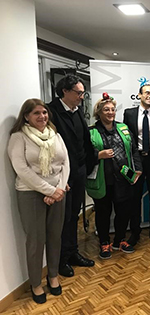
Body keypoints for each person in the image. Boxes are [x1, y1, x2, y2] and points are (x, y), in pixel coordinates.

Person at [8, 99, 70, 304]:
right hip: (30, 195)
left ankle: (53, 276)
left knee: (55, 237)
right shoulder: (18, 138)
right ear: (26, 116)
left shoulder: (56, 136)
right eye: (36, 113)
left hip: (58, 193)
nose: (42, 116)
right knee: (35, 241)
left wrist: (59, 189)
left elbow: (65, 162)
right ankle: (35, 283)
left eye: (44, 112)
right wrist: (50, 190)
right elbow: (22, 170)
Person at [48, 74, 95, 277]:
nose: (81, 97)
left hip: (79, 172)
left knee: (73, 215)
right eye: (78, 93)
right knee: (62, 219)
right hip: (61, 178)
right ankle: (60, 260)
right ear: (65, 92)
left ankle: (72, 252)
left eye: (83, 93)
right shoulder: (51, 112)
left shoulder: (77, 112)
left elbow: (84, 141)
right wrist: (61, 179)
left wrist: (88, 164)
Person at [86, 93, 142, 259]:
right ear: (99, 112)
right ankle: (104, 242)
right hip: (103, 180)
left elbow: (133, 150)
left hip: (124, 178)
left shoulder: (123, 128)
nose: (110, 112)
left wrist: (137, 169)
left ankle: (120, 240)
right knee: (103, 212)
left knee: (123, 211)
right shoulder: (91, 131)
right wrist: (99, 155)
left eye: (112, 109)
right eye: (106, 110)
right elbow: (84, 154)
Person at [124, 84, 150, 245]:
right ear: (139, 95)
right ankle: (135, 231)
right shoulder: (129, 114)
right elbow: (126, 138)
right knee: (134, 196)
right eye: (147, 93)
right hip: (136, 160)